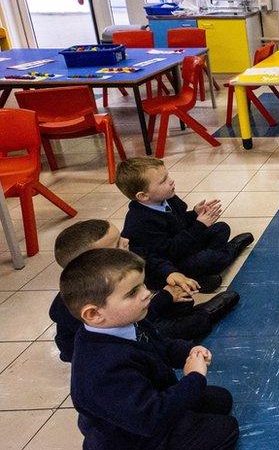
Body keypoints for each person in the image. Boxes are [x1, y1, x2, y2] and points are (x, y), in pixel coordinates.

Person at [64, 248, 239, 450]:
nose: (147, 294)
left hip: (152, 400)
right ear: (94, 314)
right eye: (132, 293)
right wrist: (193, 378)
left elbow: (161, 345)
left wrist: (188, 351)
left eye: (143, 285)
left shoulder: (127, 321)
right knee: (225, 429)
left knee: (221, 400)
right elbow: (150, 419)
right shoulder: (103, 369)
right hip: (136, 437)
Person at [49, 219, 239, 363]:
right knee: (187, 324)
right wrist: (165, 296)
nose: (126, 241)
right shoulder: (73, 307)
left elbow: (151, 259)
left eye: (121, 236)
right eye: (117, 244)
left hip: (135, 318)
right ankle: (206, 314)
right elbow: (134, 321)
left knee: (183, 300)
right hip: (126, 337)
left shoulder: (118, 267)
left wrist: (170, 274)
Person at [117, 157, 254, 293]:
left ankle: (210, 266)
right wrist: (199, 226)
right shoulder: (141, 221)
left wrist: (195, 214)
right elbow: (169, 251)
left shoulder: (167, 198)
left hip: (183, 247)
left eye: (167, 176)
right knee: (207, 258)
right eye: (163, 181)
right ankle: (230, 251)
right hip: (168, 265)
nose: (171, 181)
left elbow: (180, 222)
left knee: (221, 228)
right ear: (143, 196)